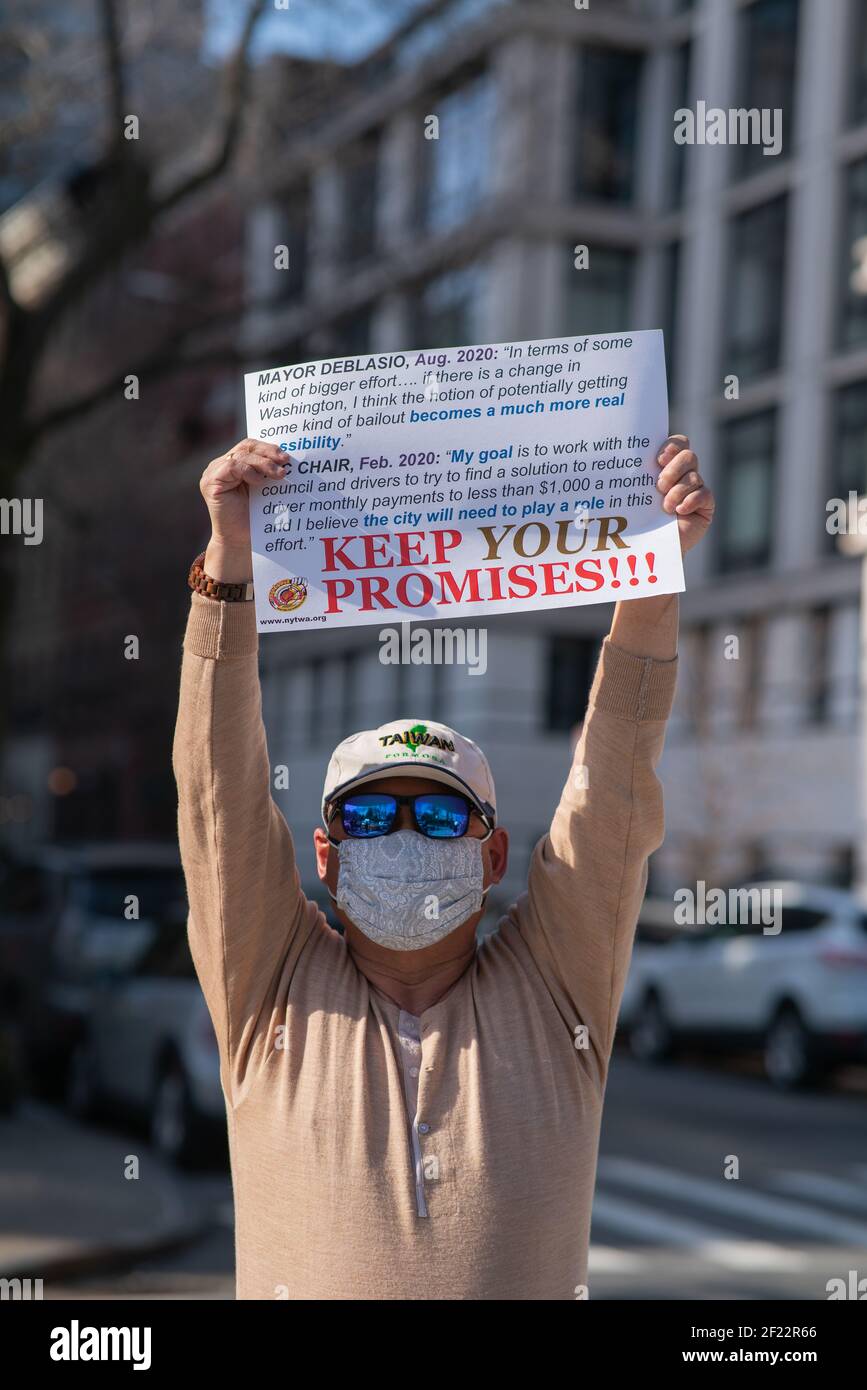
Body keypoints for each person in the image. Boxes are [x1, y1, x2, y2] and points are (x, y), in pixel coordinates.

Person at [173, 433, 714, 1300]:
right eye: (368, 816)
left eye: (436, 816)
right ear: (327, 854)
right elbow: (216, 800)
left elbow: (610, 790)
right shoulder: (268, 991)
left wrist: (651, 574)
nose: (403, 836)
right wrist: (228, 565)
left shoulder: (556, 991)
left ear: (491, 854)